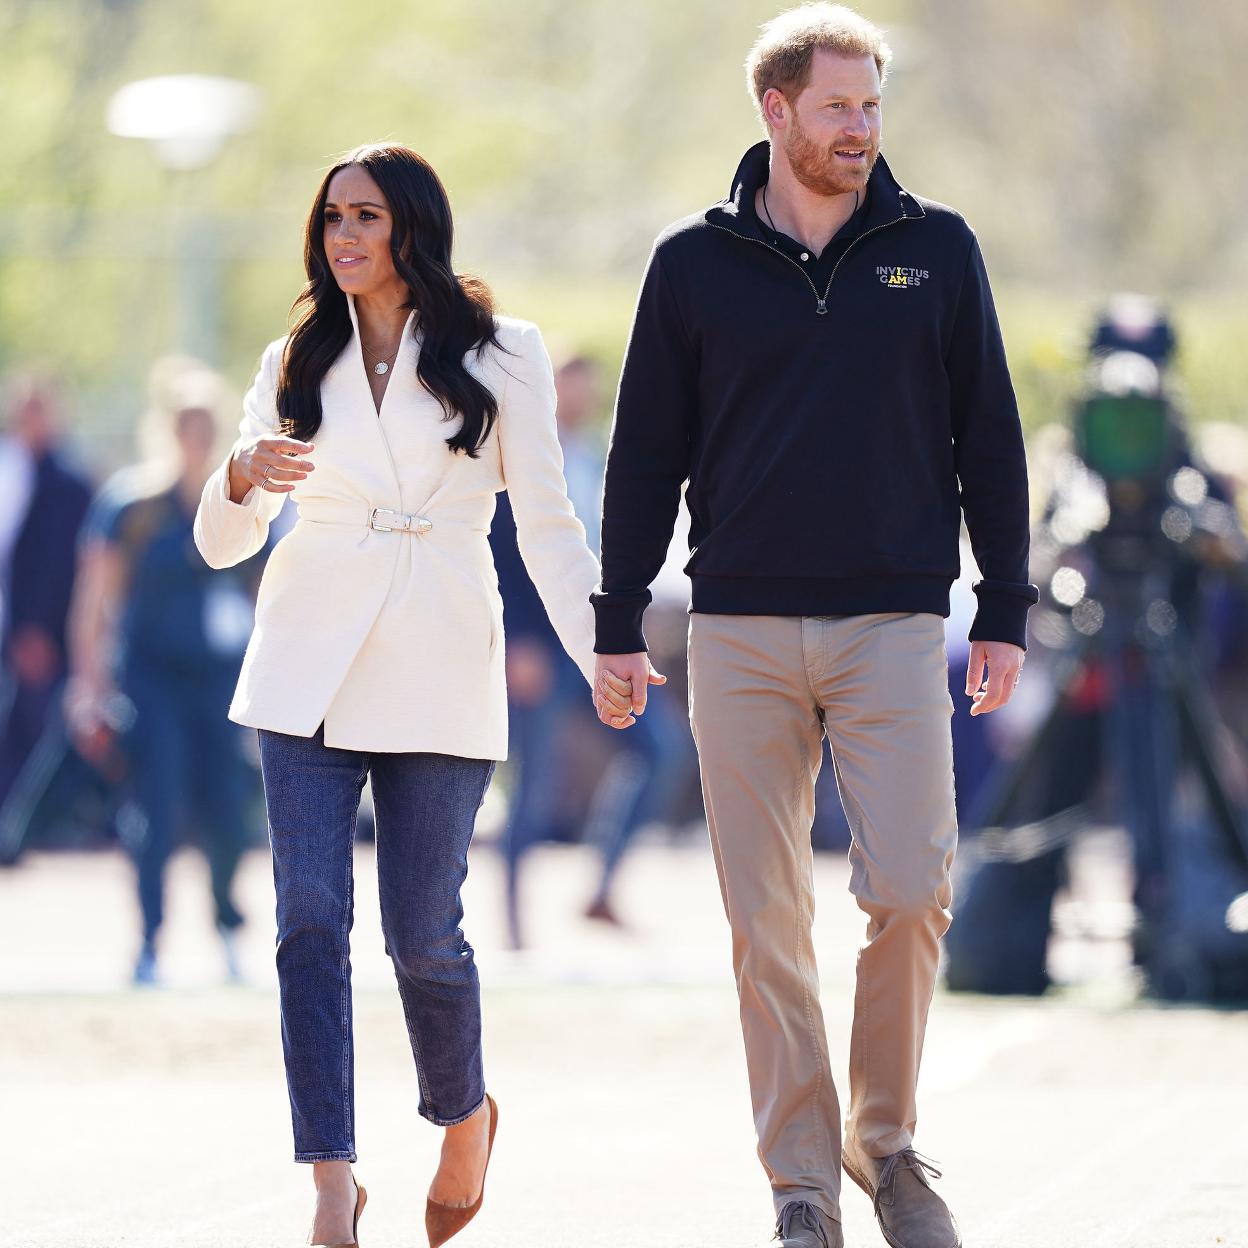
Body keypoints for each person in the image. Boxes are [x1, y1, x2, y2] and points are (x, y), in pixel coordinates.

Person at [590, 7, 1038, 1248]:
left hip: (896, 621)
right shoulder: (691, 263)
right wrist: (617, 621)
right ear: (775, 112)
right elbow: (644, 458)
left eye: (873, 105)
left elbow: (988, 436)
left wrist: (1005, 602)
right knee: (763, 916)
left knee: (909, 889)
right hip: (734, 629)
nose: (862, 126)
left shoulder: (937, 251)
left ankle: (881, 1141)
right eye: (839, 106)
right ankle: (800, 1179)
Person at [193, 143, 600, 1248]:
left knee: (424, 934)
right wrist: (236, 478)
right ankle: (333, 1181)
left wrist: (600, 646)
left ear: (413, 225)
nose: (343, 237)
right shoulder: (293, 357)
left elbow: (549, 525)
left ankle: (465, 1118)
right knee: (309, 924)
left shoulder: (505, 353)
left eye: (365, 216)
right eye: (331, 218)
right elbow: (224, 543)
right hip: (303, 668)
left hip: (439, 659)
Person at [65, 358, 261, 985]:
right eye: (187, 423)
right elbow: (94, 604)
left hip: (220, 682)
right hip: (152, 680)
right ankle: (150, 941)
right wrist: (88, 686)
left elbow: (266, 598)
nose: (197, 436)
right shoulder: (133, 506)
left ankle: (229, 930)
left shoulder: (236, 503)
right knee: (157, 806)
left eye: (207, 423)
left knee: (230, 810)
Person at [0, 377, 92, 822]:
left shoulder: (69, 485)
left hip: (38, 632)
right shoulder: (10, 469)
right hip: (14, 625)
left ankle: (20, 827)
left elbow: (57, 564)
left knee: (31, 732)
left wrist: (32, 627)